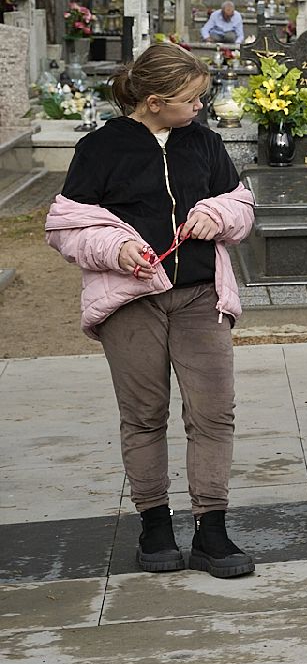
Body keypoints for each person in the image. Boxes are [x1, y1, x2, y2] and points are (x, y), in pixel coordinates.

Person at [45, 43, 256, 578]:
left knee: (213, 414)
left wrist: (216, 214)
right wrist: (114, 248)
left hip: (200, 297)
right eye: (192, 99)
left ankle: (211, 530)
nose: (201, 107)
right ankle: (155, 525)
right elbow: (66, 227)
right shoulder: (100, 148)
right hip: (130, 302)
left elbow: (240, 204)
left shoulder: (204, 142)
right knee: (143, 416)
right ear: (156, 102)